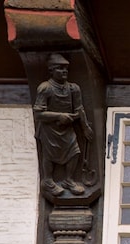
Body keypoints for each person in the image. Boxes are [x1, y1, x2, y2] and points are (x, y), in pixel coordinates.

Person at [34, 53, 92, 196]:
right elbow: (38, 114)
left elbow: (79, 108)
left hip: (67, 128)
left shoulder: (73, 88)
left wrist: (85, 127)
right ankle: (48, 180)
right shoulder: (45, 88)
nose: (64, 71)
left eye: (66, 68)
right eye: (60, 68)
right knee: (49, 154)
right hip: (49, 129)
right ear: (51, 71)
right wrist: (59, 116)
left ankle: (69, 180)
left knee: (74, 151)